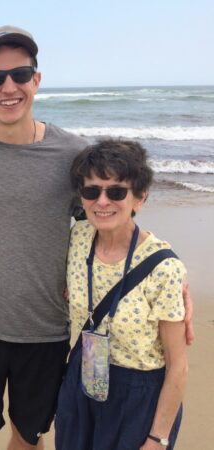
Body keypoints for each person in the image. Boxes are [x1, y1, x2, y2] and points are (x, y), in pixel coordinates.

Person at [0, 26, 194, 450]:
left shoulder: (70, 153)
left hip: (47, 330)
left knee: (28, 435)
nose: (9, 87)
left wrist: (165, 274)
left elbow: (107, 215)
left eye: (20, 74)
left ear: (36, 80)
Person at [55, 139, 187, 449]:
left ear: (140, 198)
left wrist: (157, 438)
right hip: (83, 375)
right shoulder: (77, 238)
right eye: (91, 191)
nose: (102, 201)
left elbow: (178, 366)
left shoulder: (164, 268)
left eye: (116, 192)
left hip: (137, 396)